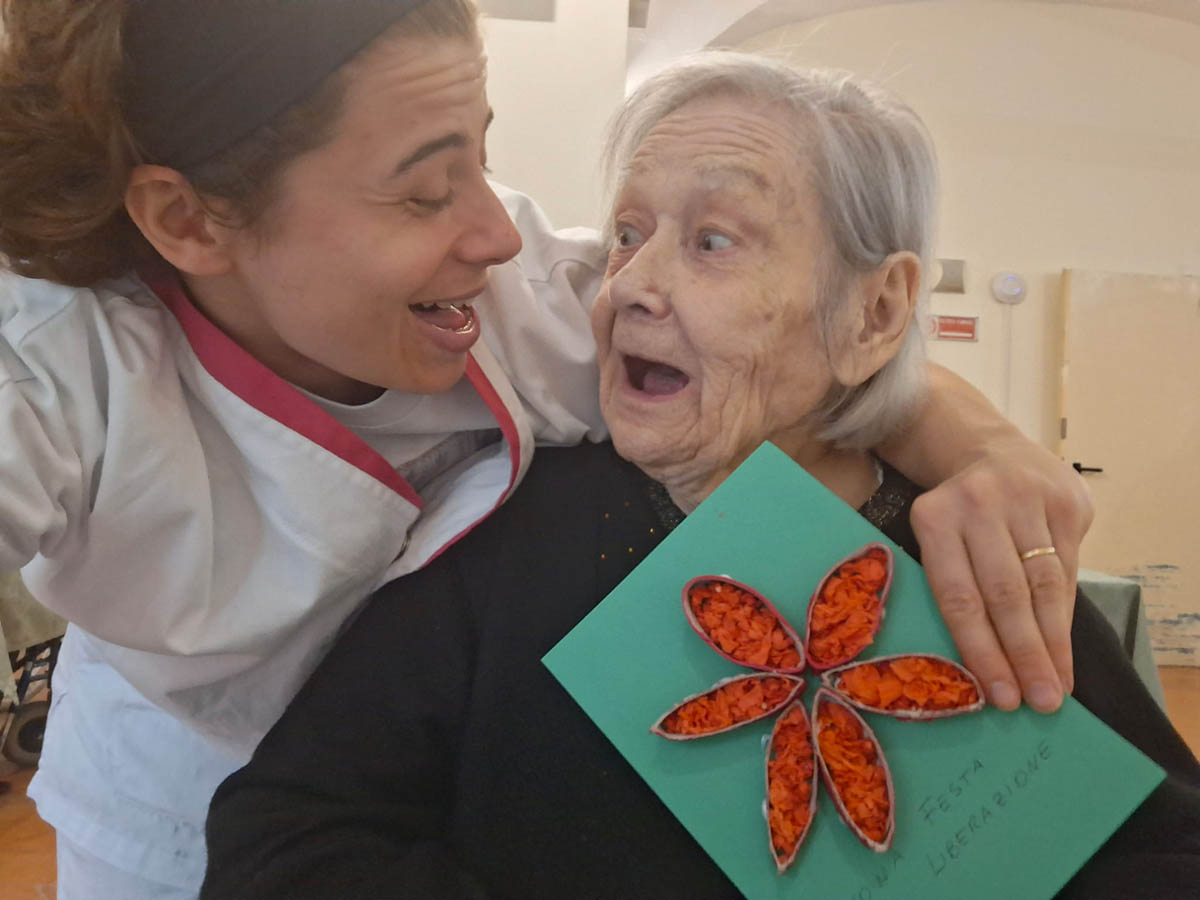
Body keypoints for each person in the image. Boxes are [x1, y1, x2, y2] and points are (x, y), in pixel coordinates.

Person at [0, 1, 1088, 896]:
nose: (498, 232)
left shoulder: (527, 300)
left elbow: (799, 353)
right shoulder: (49, 373)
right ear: (189, 223)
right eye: (425, 191)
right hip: (177, 800)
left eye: (483, 158)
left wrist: (987, 452)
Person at [201, 53, 1200, 899]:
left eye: (714, 241)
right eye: (628, 233)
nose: (630, 284)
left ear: (875, 313)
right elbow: (284, 838)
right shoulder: (509, 529)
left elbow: (1163, 853)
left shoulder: (963, 553)